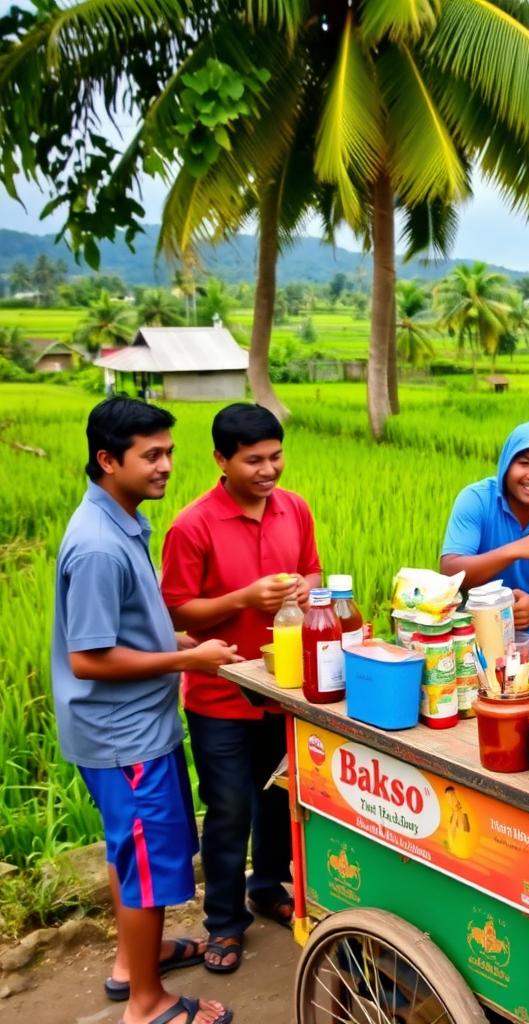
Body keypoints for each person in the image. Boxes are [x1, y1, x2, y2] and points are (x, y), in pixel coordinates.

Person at [52, 397, 240, 1024]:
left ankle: (135, 962)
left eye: (169, 452)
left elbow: (123, 629)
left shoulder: (122, 519)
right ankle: (148, 1004)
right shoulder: (101, 545)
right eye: (150, 455)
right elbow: (90, 658)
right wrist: (187, 662)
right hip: (125, 736)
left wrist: (176, 642)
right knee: (147, 864)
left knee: (125, 852)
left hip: (124, 728)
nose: (165, 466)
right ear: (108, 460)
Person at [160, 404, 322, 974]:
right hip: (219, 696)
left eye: (275, 456)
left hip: (284, 688)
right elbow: (177, 609)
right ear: (221, 460)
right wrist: (243, 600)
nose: (268, 469)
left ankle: (267, 884)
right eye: (253, 460)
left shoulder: (294, 508)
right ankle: (224, 923)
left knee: (279, 796)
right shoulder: (192, 525)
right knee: (228, 809)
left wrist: (305, 590)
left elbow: (313, 572)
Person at [440, 421, 529, 643]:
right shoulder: (476, 500)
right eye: (524, 463)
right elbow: (450, 573)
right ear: (506, 465)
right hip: (473, 640)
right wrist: (517, 549)